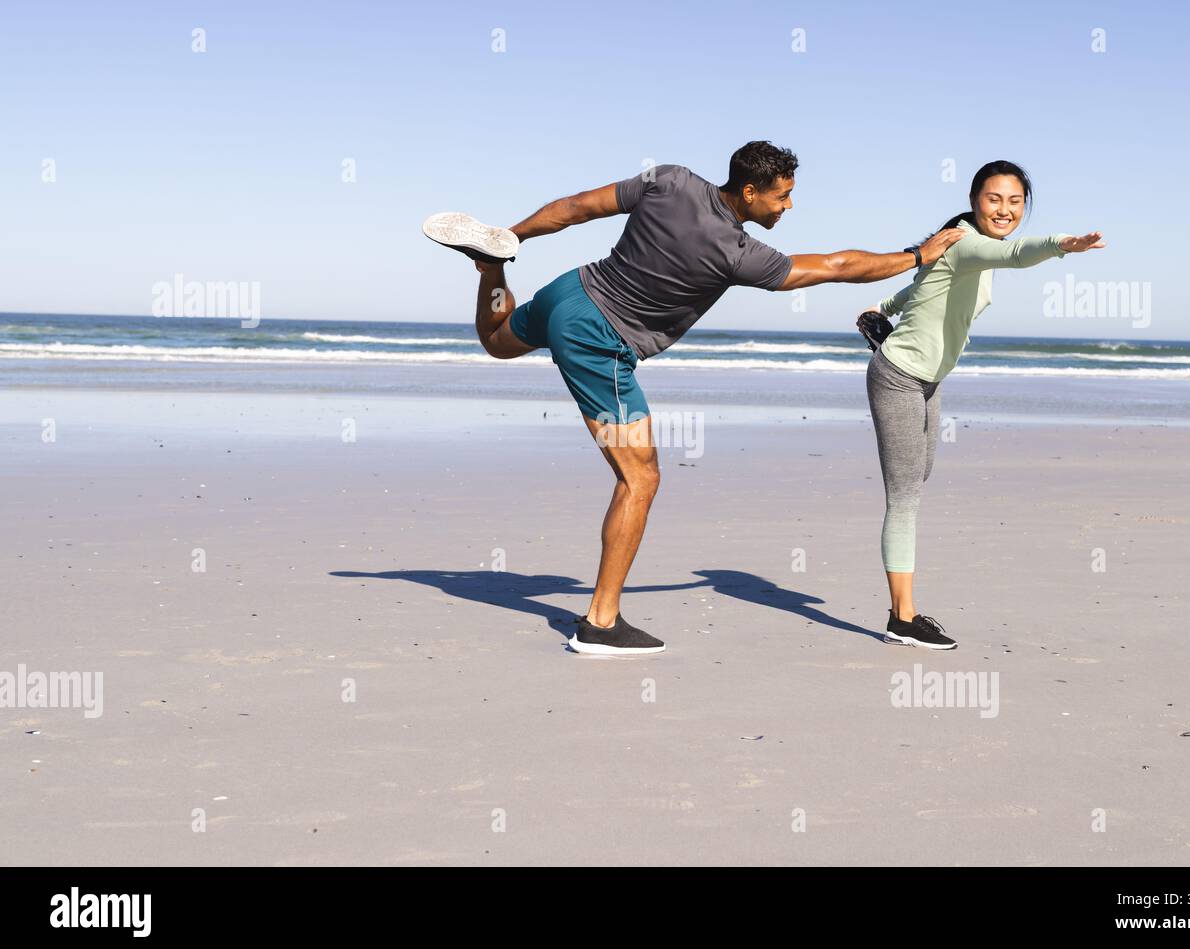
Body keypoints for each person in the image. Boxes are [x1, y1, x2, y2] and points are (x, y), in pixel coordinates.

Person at [423, 141, 965, 655]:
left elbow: (575, 208)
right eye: (782, 195)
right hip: (598, 340)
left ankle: (491, 262)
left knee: (497, 342)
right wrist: (915, 255)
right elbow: (836, 268)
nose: (789, 205)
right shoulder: (736, 251)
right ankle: (600, 623)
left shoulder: (671, 179)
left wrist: (510, 238)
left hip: (570, 291)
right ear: (750, 192)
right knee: (640, 478)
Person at [858, 160, 1104, 650]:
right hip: (900, 376)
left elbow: (922, 284)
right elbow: (1016, 253)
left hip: (930, 380)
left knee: (918, 478)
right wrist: (1060, 245)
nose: (1005, 210)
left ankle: (902, 611)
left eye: (1015, 202)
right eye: (995, 199)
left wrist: (881, 308)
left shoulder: (962, 247)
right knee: (904, 494)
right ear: (976, 200)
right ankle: (902, 617)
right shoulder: (967, 241)